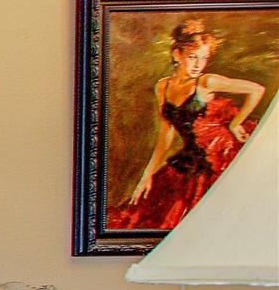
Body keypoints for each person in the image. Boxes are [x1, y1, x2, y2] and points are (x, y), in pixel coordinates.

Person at [110, 16, 263, 233]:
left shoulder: (206, 82)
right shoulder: (162, 87)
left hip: (220, 153)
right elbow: (165, 137)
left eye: (204, 58)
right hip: (190, 158)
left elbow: (257, 90)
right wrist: (147, 175)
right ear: (177, 54)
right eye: (193, 57)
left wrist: (235, 124)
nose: (198, 65)